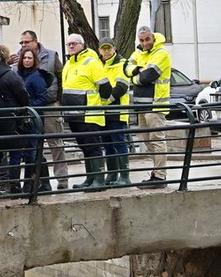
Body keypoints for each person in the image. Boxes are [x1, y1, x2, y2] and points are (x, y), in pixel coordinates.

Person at [0, 43, 31, 196]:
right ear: (5, 56)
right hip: (11, 119)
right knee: (15, 154)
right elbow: (23, 97)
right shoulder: (10, 75)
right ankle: (14, 186)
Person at [125, 27, 172, 188]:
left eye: (147, 39)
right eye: (142, 40)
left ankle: (160, 177)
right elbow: (126, 68)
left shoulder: (161, 53)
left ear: (153, 38)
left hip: (155, 104)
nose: (145, 43)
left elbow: (147, 77)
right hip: (141, 105)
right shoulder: (138, 53)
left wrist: (135, 77)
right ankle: (156, 172)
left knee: (157, 140)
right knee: (147, 140)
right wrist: (138, 70)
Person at [19, 29, 67, 188]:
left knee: (56, 143)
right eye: (22, 43)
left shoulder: (51, 56)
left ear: (35, 41)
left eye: (26, 42)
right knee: (34, 145)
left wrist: (60, 99)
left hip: (50, 104)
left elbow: (62, 77)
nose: (23, 45)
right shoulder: (20, 56)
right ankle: (40, 182)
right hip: (32, 107)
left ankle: (62, 180)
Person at [60, 35, 108, 190]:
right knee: (84, 146)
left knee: (93, 146)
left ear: (83, 44)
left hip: (89, 113)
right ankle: (90, 179)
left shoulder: (91, 62)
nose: (71, 46)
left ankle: (99, 181)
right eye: (69, 44)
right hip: (74, 114)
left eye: (74, 44)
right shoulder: (69, 63)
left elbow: (105, 88)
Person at [16, 47, 53, 192]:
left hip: (33, 118)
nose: (26, 60)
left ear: (34, 60)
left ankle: (31, 184)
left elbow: (42, 98)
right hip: (25, 118)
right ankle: (43, 182)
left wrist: (28, 106)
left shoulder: (36, 76)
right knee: (33, 151)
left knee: (33, 150)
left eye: (29, 58)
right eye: (24, 58)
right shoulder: (20, 75)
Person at [97, 40, 131, 187]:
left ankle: (124, 175)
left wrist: (106, 101)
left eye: (108, 48)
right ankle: (112, 174)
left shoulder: (122, 63)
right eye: (103, 49)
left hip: (117, 111)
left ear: (114, 48)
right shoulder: (99, 65)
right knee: (108, 144)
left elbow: (121, 87)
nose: (106, 51)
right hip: (103, 113)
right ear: (99, 50)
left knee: (119, 142)